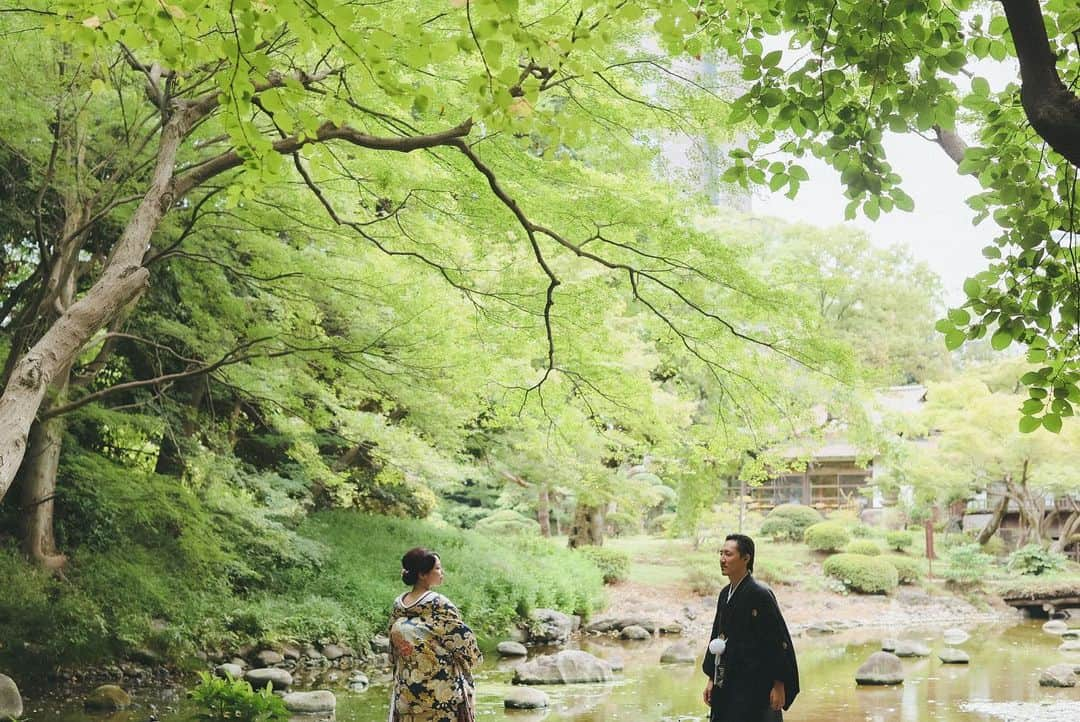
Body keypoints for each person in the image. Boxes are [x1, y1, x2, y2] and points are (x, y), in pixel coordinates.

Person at [702, 533, 799, 722]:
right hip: (727, 679)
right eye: (721, 554)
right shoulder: (724, 594)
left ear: (746, 558)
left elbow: (778, 641)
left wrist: (779, 684)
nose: (722, 559)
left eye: (728, 554)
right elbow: (717, 636)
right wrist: (712, 678)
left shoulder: (760, 595)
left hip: (756, 682)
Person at [388, 547, 482, 722]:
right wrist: (471, 661)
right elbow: (462, 641)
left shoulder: (399, 605)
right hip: (440, 692)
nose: (441, 572)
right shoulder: (439, 603)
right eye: (437, 568)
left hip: (407, 689)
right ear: (423, 574)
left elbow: (393, 650)